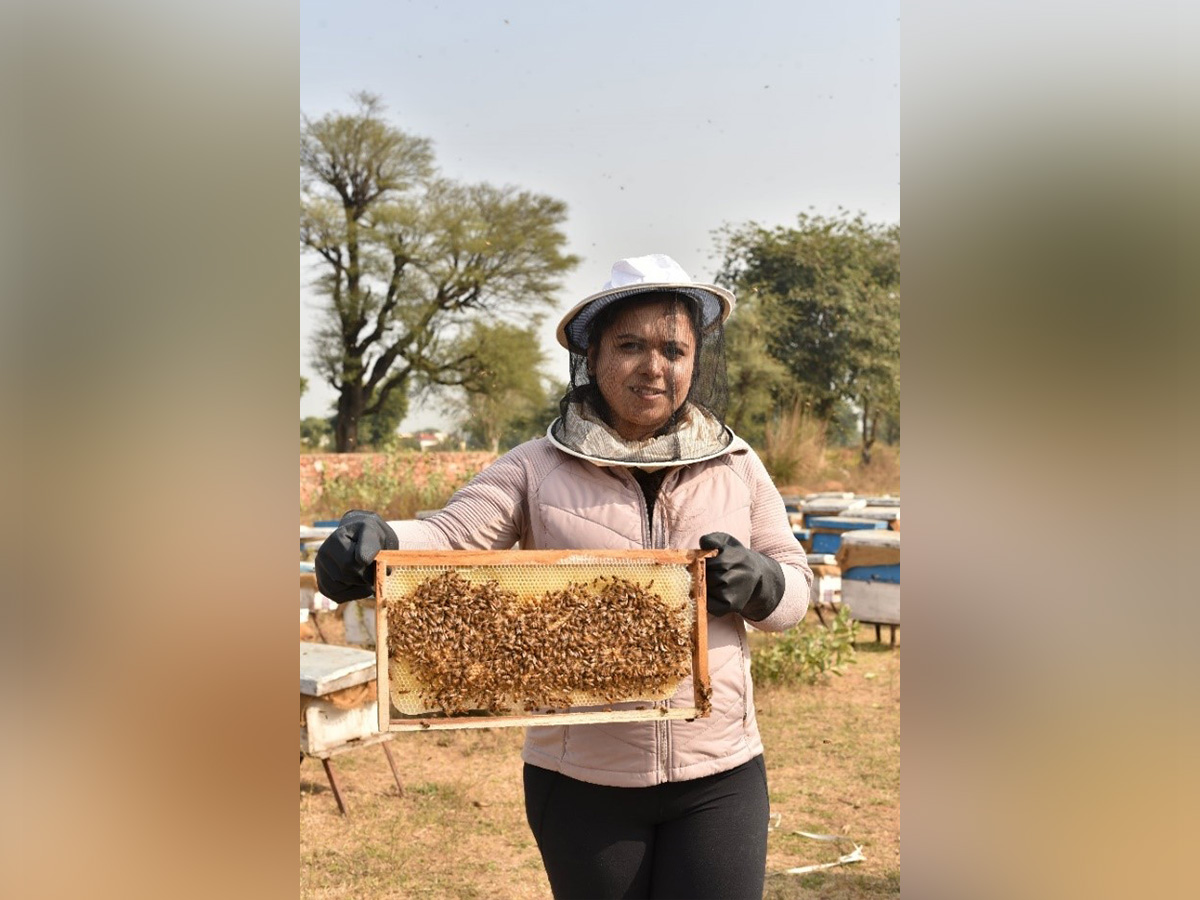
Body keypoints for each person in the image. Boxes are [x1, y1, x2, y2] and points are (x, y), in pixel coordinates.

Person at [315, 253, 812, 900]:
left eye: (674, 349)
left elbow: (796, 587)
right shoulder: (533, 467)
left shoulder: (738, 465)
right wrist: (378, 543)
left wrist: (764, 582)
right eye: (630, 345)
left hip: (720, 775)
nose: (654, 366)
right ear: (592, 354)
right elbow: (450, 536)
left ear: (696, 362)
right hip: (581, 785)